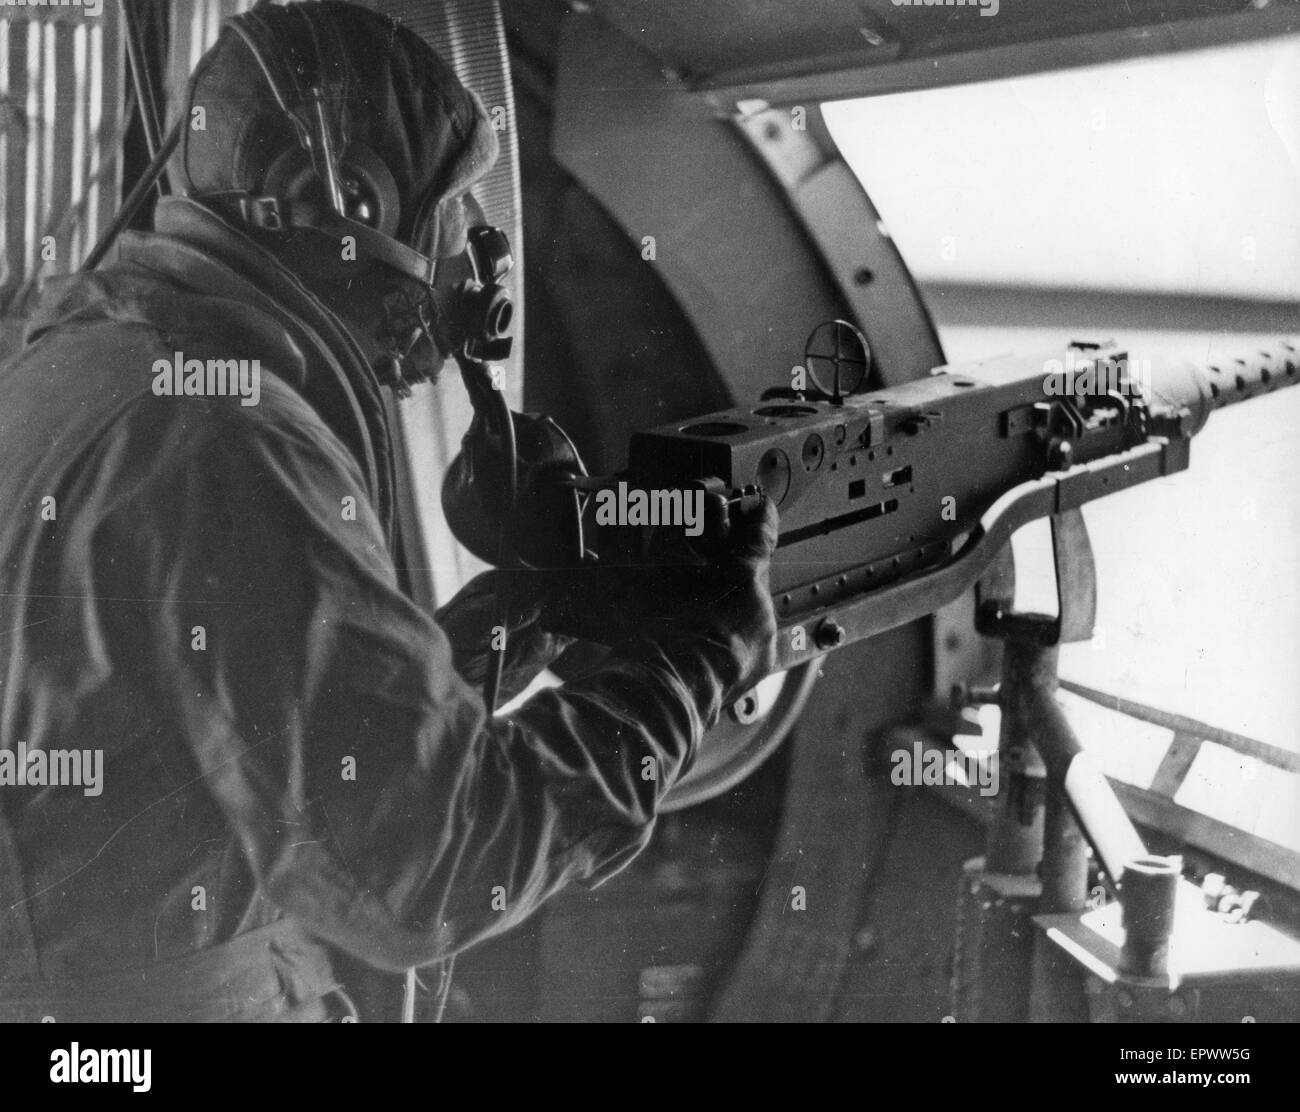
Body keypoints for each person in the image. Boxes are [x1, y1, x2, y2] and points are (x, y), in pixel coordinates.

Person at [0, 1, 777, 1022]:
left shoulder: (88, 353)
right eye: (449, 212)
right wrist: (684, 665)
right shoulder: (228, 437)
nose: (468, 262)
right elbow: (433, 865)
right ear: (347, 203)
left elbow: (244, 708)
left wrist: (522, 617)